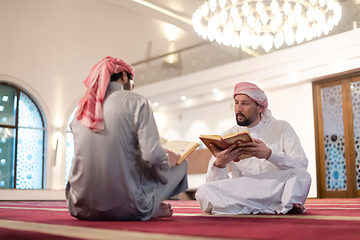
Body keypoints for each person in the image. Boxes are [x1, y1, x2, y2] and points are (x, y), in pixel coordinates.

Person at [66, 56, 188, 221]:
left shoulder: (82, 110)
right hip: (128, 207)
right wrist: (169, 161)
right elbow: (152, 156)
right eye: (132, 79)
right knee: (180, 164)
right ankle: (149, 208)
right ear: (124, 77)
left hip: (79, 206)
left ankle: (148, 206)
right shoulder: (137, 102)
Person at [195, 82, 311, 215]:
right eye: (236, 102)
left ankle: (247, 208)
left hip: (274, 186)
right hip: (245, 189)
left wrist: (269, 154)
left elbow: (301, 163)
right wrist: (220, 164)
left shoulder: (282, 128)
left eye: (245, 103)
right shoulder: (227, 136)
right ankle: (280, 206)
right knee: (204, 190)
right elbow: (214, 183)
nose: (239, 108)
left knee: (303, 176)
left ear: (260, 107)